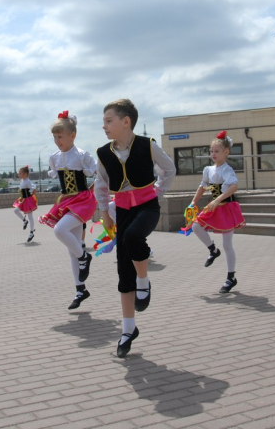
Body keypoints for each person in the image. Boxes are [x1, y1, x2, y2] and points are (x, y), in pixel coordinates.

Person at [95, 99, 176, 358]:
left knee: (132, 237)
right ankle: (128, 329)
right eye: (104, 121)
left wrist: (158, 192)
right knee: (122, 268)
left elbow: (169, 168)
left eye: (109, 120)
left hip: (147, 208)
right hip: (122, 211)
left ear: (126, 121)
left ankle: (144, 281)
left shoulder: (147, 145)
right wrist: (105, 213)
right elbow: (100, 184)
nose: (104, 125)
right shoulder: (104, 153)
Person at [39, 111, 98, 311]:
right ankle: (80, 289)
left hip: (82, 199)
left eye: (60, 137)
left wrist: (98, 188)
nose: (57, 141)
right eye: (55, 137)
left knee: (59, 231)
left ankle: (85, 257)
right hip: (66, 201)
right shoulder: (55, 157)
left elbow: (97, 172)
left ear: (72, 135)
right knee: (72, 249)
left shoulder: (81, 155)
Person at [189, 131, 246, 294]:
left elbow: (234, 186)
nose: (213, 154)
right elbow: (202, 186)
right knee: (196, 226)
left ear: (226, 152)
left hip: (227, 208)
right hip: (214, 206)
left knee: (228, 244)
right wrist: (193, 202)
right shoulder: (208, 169)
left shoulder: (227, 170)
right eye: (211, 151)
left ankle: (231, 277)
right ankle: (213, 249)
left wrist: (216, 200)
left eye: (217, 151)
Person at [12, 165, 38, 242]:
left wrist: (32, 190)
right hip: (23, 200)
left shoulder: (27, 181)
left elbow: (33, 186)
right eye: (19, 173)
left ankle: (31, 232)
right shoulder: (23, 181)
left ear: (25, 174)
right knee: (16, 210)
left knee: (30, 216)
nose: (19, 175)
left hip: (28, 200)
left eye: (20, 173)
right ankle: (24, 221)